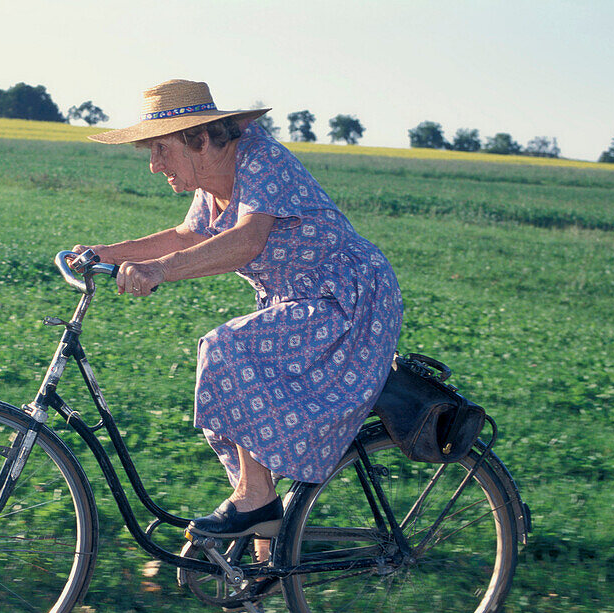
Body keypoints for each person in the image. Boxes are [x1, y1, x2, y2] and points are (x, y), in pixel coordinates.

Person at [75, 79, 402, 556]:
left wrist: (157, 272)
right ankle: (266, 550)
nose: (154, 165)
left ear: (200, 138)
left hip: (348, 300)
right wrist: (100, 252)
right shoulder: (213, 182)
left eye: (161, 150)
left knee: (228, 350)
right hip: (298, 302)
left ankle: (256, 505)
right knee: (232, 400)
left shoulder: (260, 159)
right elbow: (187, 236)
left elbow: (246, 242)